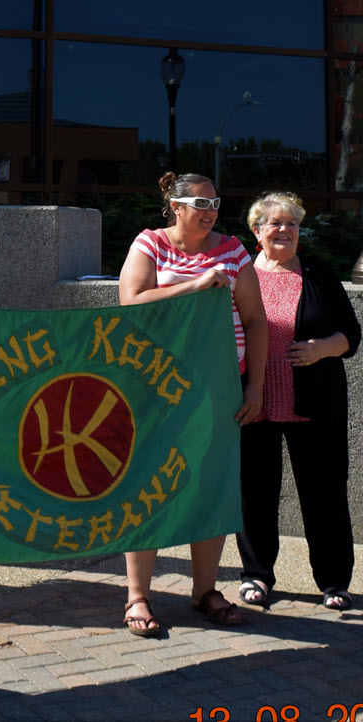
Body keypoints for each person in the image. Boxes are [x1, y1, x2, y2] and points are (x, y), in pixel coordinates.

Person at [118, 171, 267, 636]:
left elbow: (256, 321)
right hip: (155, 390)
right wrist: (194, 285)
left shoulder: (234, 250)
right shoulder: (150, 244)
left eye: (215, 202)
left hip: (220, 387)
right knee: (147, 487)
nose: (210, 211)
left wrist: (256, 387)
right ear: (175, 206)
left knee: (211, 486)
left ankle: (204, 590)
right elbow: (131, 302)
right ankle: (138, 595)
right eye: (200, 203)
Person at [236, 191, 360, 611]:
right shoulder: (241, 275)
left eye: (292, 224)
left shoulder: (319, 274)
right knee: (254, 492)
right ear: (257, 231)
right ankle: (256, 575)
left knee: (324, 490)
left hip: (315, 403)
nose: (285, 230)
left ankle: (334, 581)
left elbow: (351, 336)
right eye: (275, 223)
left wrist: (321, 349)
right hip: (254, 402)